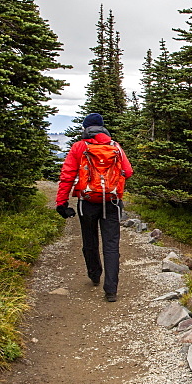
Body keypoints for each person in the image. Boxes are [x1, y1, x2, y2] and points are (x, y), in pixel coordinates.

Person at [55, 113, 134, 302]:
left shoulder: (79, 147)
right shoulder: (115, 146)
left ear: (85, 128)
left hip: (87, 202)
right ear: (102, 127)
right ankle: (111, 290)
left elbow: (67, 176)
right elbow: (128, 172)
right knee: (111, 245)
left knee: (89, 240)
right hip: (112, 202)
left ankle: (94, 274)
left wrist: (61, 203)